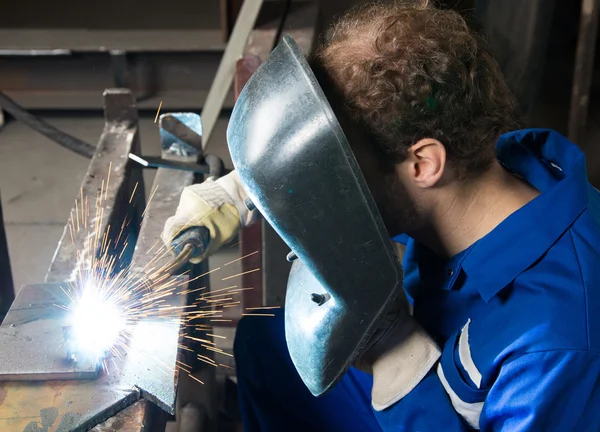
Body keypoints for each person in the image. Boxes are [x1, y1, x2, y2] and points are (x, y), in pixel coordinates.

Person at [163, 1, 600, 430]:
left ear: (423, 164)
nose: (327, 181)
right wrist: (249, 187)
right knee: (266, 345)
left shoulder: (554, 345)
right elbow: (353, 149)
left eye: (336, 169)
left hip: (439, 413)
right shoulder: (481, 168)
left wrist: (397, 365)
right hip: (437, 350)